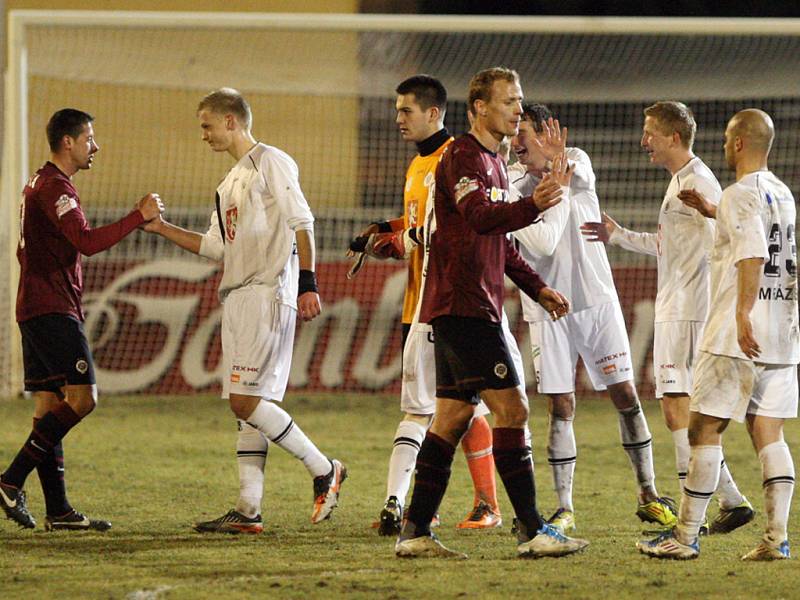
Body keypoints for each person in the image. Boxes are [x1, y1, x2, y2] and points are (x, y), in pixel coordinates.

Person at [394, 67, 588, 559]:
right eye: (509, 101)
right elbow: (481, 217)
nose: (517, 109)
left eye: (519, 100)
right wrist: (533, 206)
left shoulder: (495, 163)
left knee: (452, 418)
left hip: (467, 304)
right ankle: (532, 529)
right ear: (480, 106)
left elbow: (498, 244)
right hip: (464, 305)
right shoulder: (462, 154)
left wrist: (538, 287)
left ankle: (414, 532)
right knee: (513, 410)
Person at [143, 88, 345, 533]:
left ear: (231, 121)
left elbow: (302, 222)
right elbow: (214, 247)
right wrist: (160, 228)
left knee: (246, 400)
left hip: (267, 293)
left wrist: (308, 283)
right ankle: (248, 509)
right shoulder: (227, 183)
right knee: (248, 406)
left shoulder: (271, 161)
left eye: (206, 125)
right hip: (235, 296)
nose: (204, 135)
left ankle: (324, 469)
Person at [582, 101, 753, 534]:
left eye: (650, 134)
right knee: (685, 413)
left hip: (688, 312)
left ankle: (687, 521)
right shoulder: (681, 180)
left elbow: (732, 238)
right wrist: (617, 235)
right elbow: (669, 245)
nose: (644, 142)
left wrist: (713, 216)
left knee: (678, 412)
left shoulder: (699, 181)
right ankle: (731, 500)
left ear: (673, 137)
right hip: (681, 309)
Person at [509, 104, 677, 534]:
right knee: (561, 404)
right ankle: (564, 506)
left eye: (522, 133)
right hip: (548, 308)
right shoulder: (510, 183)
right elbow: (538, 242)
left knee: (625, 394)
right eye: (512, 134)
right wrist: (546, 174)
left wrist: (554, 164)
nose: (514, 143)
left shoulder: (578, 160)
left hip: (598, 302)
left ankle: (649, 494)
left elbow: (577, 178)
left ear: (546, 134)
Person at [638, 108, 797, 560]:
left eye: (728, 139)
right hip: (783, 331)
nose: (724, 147)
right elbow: (768, 248)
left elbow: (751, 256)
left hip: (736, 332)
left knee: (703, 427)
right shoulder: (781, 193)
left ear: (740, 144)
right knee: (769, 431)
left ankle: (684, 538)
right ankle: (776, 539)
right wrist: (712, 210)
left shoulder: (737, 192)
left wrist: (743, 314)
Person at [349, 75, 503, 534]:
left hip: (446, 301)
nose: (398, 119)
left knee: (443, 406)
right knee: (462, 404)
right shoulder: (419, 165)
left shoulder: (452, 159)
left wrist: (396, 242)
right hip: (419, 300)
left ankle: (414, 504)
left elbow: (446, 228)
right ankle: (473, 504)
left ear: (434, 113)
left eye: (405, 111)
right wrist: (384, 227)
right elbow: (421, 219)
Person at [0, 108, 164, 530]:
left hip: (35, 306)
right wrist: (137, 217)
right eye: (90, 138)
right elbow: (86, 243)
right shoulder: (56, 189)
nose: (96, 146)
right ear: (68, 142)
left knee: (49, 405)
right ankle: (10, 481)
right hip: (51, 308)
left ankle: (59, 511)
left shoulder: (40, 182)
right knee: (83, 398)